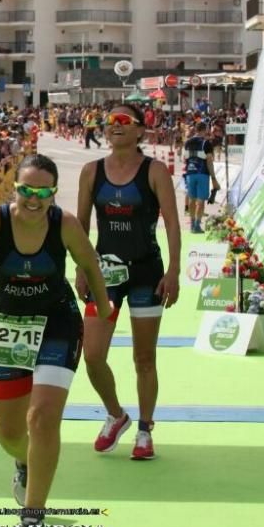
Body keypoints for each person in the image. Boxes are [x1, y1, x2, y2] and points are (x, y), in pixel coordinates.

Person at [0, 154, 111, 527]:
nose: (34, 199)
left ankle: (33, 516)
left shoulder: (64, 224)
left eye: (43, 192)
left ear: (53, 194)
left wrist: (104, 307)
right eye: (26, 190)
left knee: (41, 419)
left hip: (57, 324)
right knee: (9, 434)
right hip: (8, 328)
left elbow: (89, 262)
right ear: (15, 189)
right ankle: (25, 463)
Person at [76, 103, 181, 461]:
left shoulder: (155, 171)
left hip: (146, 273)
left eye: (124, 121)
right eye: (109, 122)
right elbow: (79, 228)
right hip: (105, 275)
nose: (114, 127)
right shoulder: (91, 171)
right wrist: (81, 269)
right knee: (91, 355)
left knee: (144, 358)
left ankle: (145, 430)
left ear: (140, 131)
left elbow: (171, 223)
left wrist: (174, 271)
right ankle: (116, 415)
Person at [183, 122, 218, 233]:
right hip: (202, 173)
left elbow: (185, 158)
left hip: (190, 173)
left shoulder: (187, 142)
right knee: (201, 201)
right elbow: (209, 161)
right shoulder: (206, 143)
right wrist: (213, 178)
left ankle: (192, 225)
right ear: (205, 130)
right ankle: (197, 226)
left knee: (192, 200)